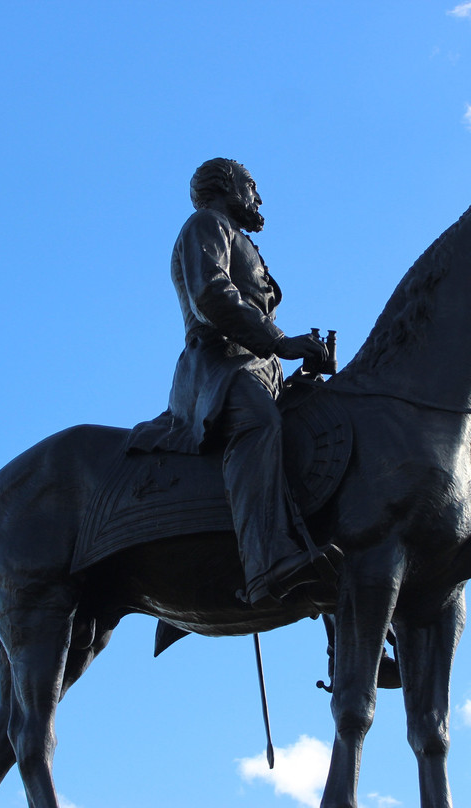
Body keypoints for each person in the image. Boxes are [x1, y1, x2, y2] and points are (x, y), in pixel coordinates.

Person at [127, 158, 338, 607]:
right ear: (226, 185)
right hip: (218, 366)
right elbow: (211, 295)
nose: (259, 198)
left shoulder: (236, 236)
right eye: (252, 186)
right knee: (259, 423)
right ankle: (265, 564)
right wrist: (279, 341)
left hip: (257, 368)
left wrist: (296, 362)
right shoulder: (206, 224)